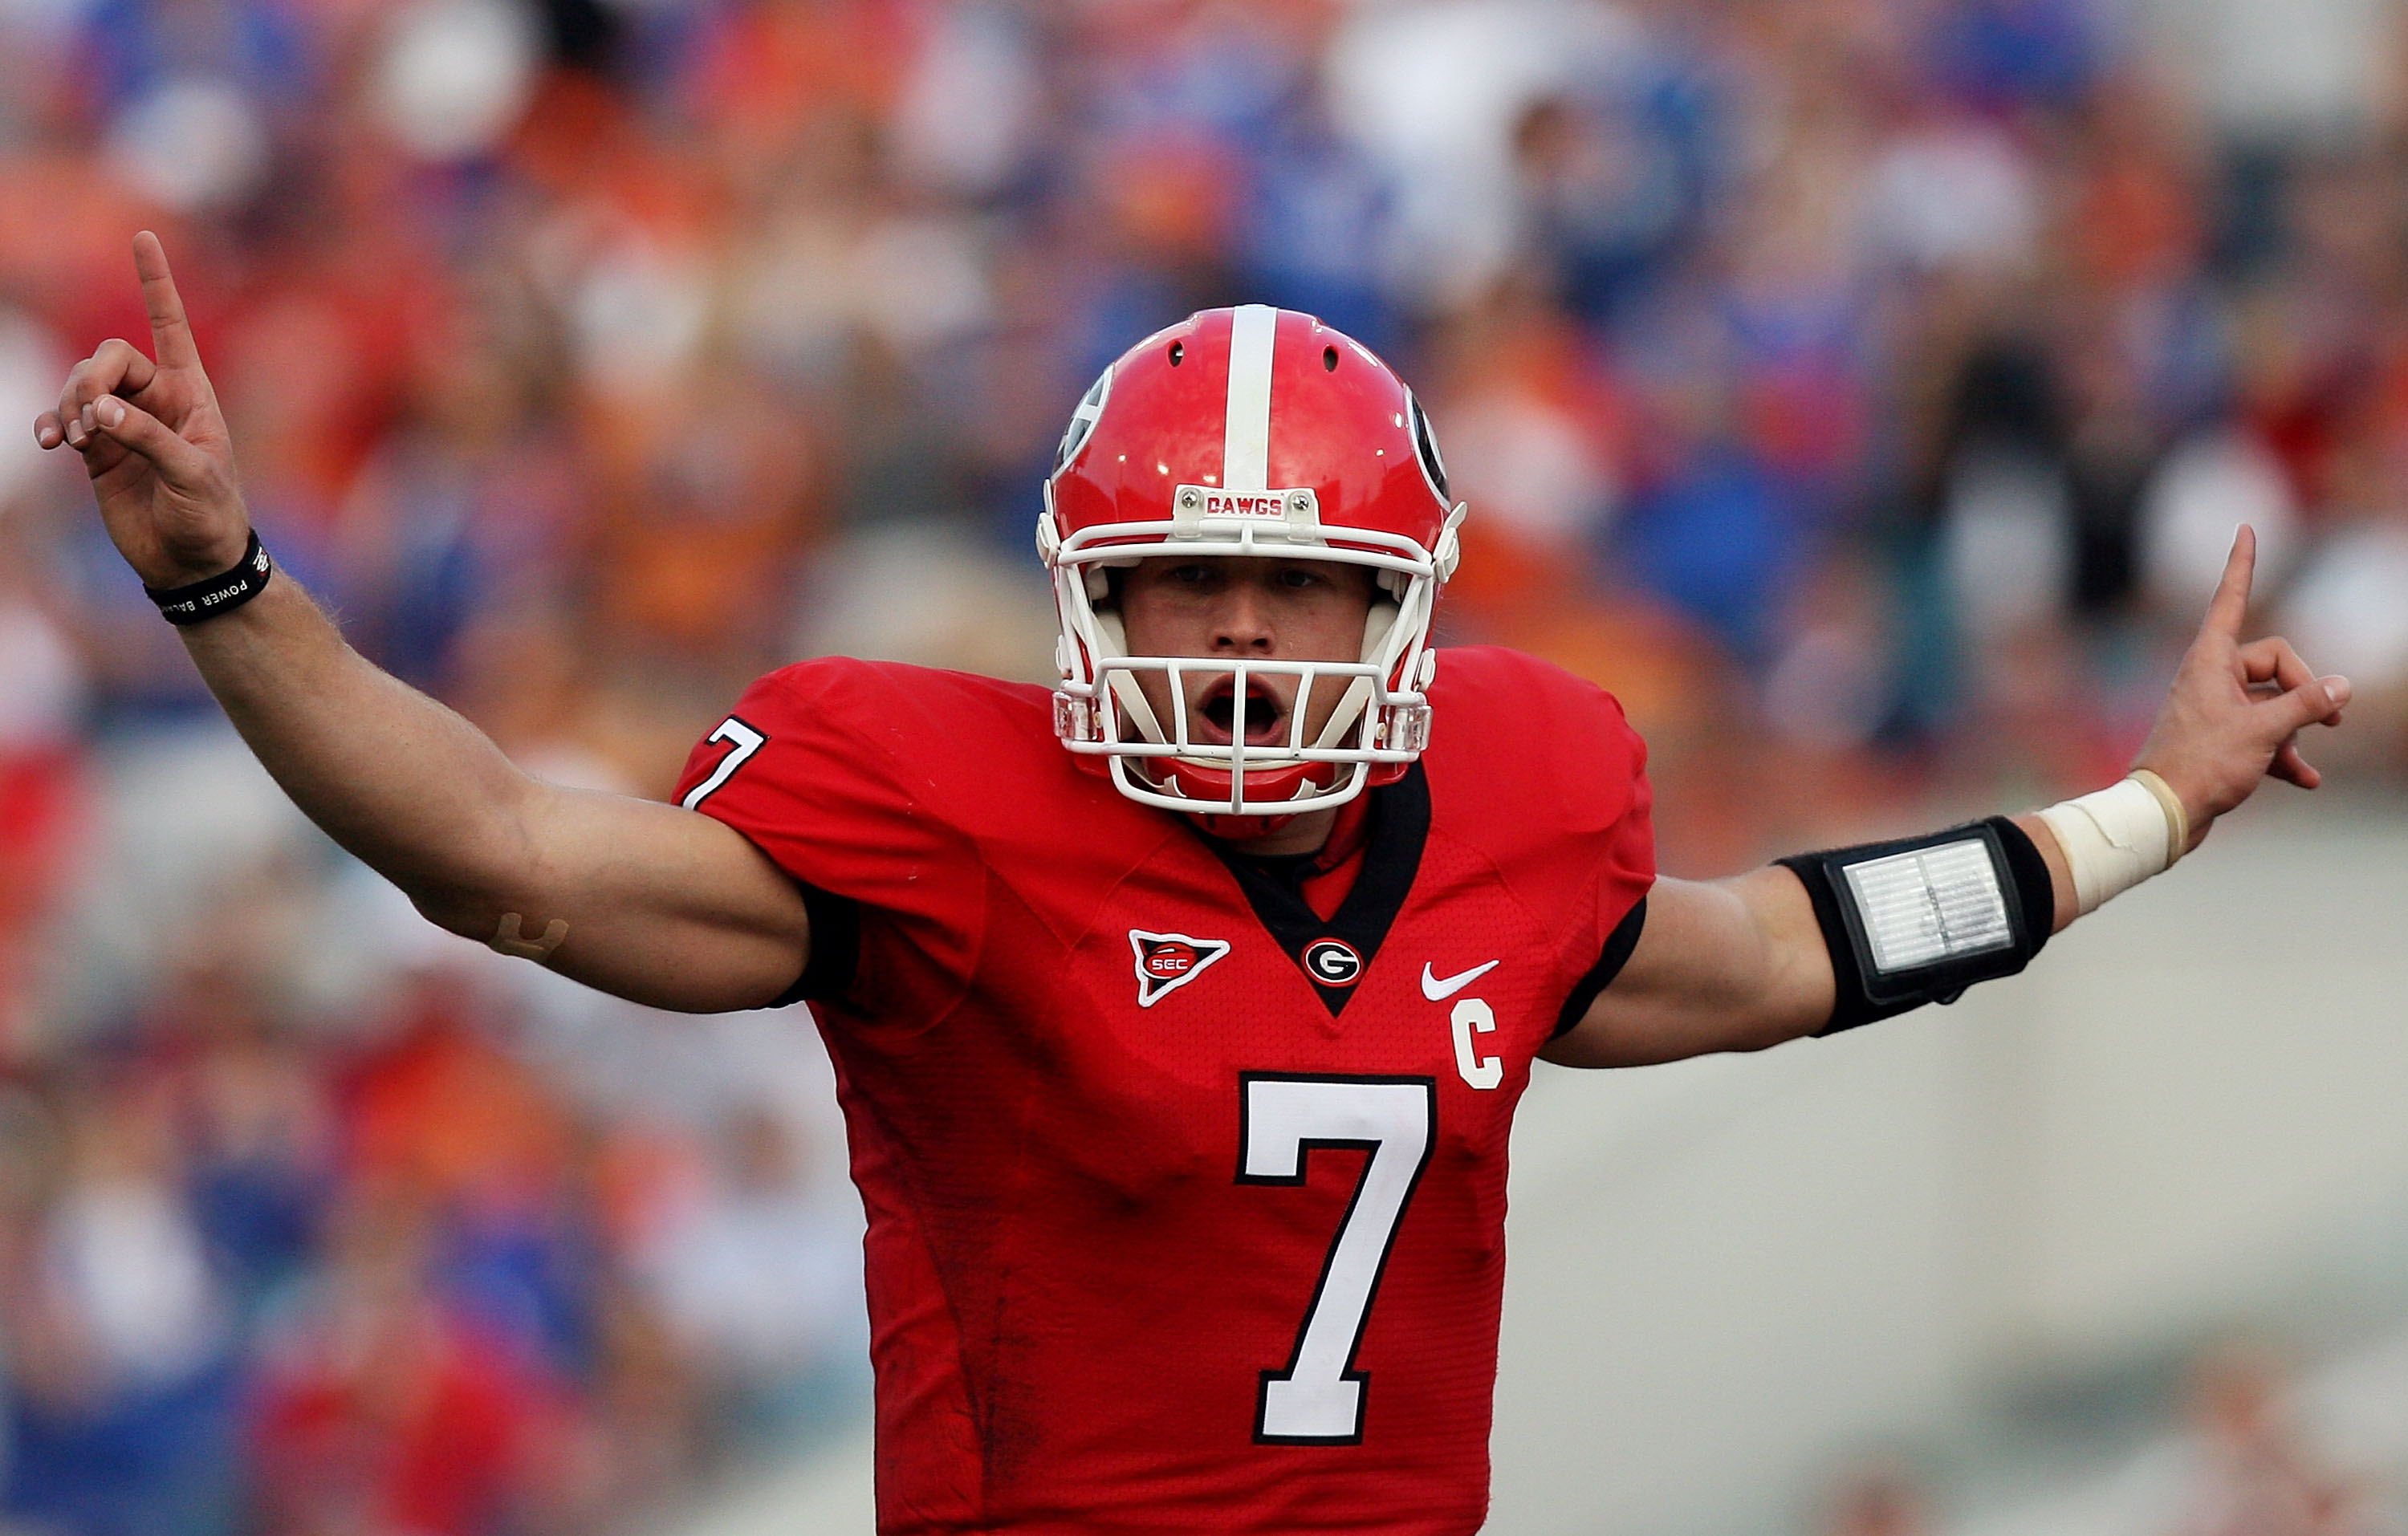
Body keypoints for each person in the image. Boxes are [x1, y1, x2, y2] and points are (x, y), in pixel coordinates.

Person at [34, 234, 2351, 1536]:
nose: (1242, 631)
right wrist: (232, 584)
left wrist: (2140, 811)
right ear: (1092, 602)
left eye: (1298, 582)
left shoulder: (1533, 798)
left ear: (1401, 608)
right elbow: (514, 860)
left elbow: (1774, 952)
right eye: (1189, 580)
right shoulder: (938, 812)